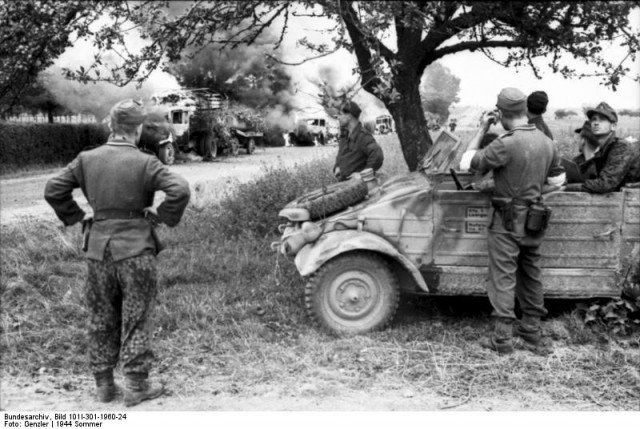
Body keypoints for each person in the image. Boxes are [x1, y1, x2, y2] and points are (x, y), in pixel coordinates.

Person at [44, 99, 191, 406]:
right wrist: (161, 215)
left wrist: (75, 217)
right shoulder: (146, 162)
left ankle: (104, 386)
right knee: (137, 317)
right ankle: (136, 386)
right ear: (137, 129)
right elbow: (179, 189)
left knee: (100, 316)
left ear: (110, 126)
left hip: (98, 250)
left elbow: (53, 189)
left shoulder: (86, 159)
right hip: (137, 249)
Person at [459, 88, 563, 355]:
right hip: (535, 218)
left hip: (506, 220)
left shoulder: (505, 143)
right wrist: (535, 192)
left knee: (503, 276)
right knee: (531, 273)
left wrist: (483, 128)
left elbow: (466, 163)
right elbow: (557, 181)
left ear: (502, 113)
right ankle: (531, 331)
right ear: (525, 110)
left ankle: (502, 339)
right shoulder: (546, 142)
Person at [563, 102, 639, 193]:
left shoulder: (621, 147)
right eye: (593, 119)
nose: (596, 123)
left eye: (602, 119)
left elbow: (605, 184)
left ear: (613, 126)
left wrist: (565, 188)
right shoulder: (602, 150)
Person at [333, 100, 384, 181]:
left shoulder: (363, 136)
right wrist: (337, 166)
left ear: (349, 116)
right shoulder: (344, 134)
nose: (338, 117)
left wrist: (362, 175)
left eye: (340, 114)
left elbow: (377, 156)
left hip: (359, 186)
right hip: (344, 184)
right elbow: (340, 154)